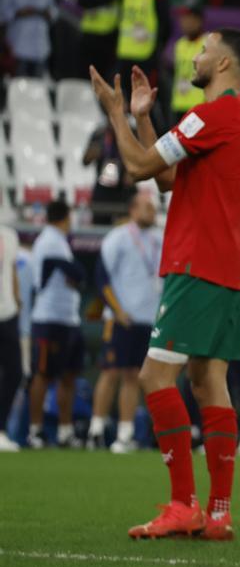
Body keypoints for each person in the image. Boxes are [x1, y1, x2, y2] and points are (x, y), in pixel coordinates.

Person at [88, 25, 240, 541]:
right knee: (210, 380)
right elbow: (168, 178)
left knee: (152, 377)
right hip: (230, 267)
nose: (196, 55)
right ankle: (218, 511)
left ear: (224, 64)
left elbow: (140, 167)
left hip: (199, 265)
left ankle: (183, 504)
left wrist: (116, 111)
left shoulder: (213, 115)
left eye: (204, 49)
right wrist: (144, 116)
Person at [89, 192, 161, 453]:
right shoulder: (118, 237)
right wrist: (117, 310)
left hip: (148, 319)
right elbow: (102, 277)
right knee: (110, 373)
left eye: (153, 208)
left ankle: (125, 433)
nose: (152, 212)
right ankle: (95, 431)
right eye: (147, 207)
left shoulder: (159, 240)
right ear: (132, 209)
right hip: (121, 318)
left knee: (134, 376)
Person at [27, 199, 85, 450]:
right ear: (65, 217)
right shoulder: (50, 240)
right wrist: (74, 275)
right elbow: (76, 273)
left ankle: (64, 431)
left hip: (67, 317)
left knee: (68, 375)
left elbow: (73, 275)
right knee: (43, 374)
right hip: (49, 318)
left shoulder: (59, 241)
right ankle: (35, 431)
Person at [114, 0, 169, 124]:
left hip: (146, 57)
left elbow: (166, 25)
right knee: (126, 103)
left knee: (149, 103)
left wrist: (156, 51)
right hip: (125, 55)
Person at [0, 0, 55, 77]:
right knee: (17, 89)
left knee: (38, 91)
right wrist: (18, 13)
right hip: (18, 49)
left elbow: (54, 11)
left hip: (41, 48)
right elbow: (2, 15)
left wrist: (49, 13)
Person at [0, 219, 21, 452]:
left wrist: (17, 301)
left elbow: (12, 271)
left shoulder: (10, 235)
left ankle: (1, 429)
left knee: (15, 372)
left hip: (8, 313)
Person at [169, 6, 205, 116]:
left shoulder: (208, 43)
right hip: (178, 104)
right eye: (182, 18)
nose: (184, 22)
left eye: (188, 18)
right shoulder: (179, 44)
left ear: (198, 21)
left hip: (198, 106)